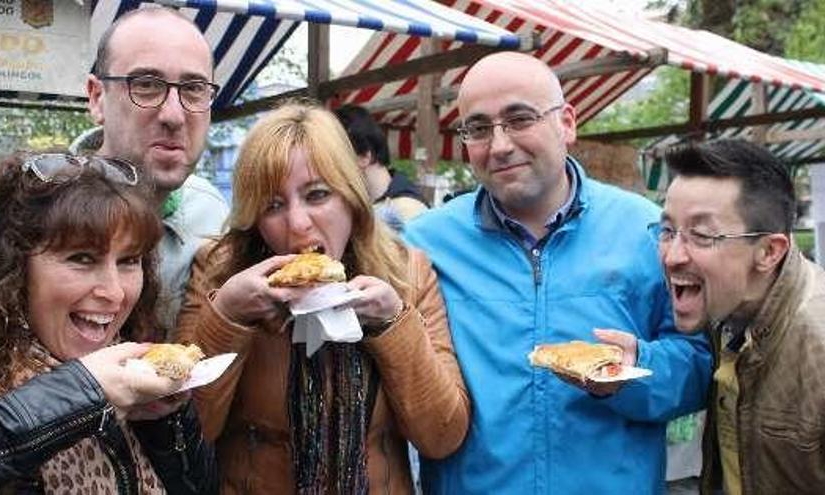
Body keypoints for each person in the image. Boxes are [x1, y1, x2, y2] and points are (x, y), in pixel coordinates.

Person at [403, 52, 712, 494]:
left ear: (566, 123)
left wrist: (635, 370)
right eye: (478, 128)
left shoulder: (646, 231)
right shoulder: (424, 244)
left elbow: (700, 359)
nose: (500, 144)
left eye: (519, 118)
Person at [177, 102, 470, 494]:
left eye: (316, 195)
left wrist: (392, 324)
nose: (298, 223)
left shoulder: (407, 272)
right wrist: (227, 318)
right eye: (273, 205)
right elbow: (183, 433)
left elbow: (443, 435)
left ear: (350, 196)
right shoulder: (220, 270)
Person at [0, 152, 216, 492]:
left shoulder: (132, 357)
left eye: (129, 260)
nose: (115, 293)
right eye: (82, 258)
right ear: (12, 267)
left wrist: (166, 422)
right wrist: (81, 395)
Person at [655, 139, 825, 494]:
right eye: (667, 231)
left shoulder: (817, 343)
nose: (672, 256)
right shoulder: (727, 311)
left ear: (768, 251)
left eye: (701, 235)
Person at [82, 6, 230, 337]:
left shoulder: (214, 215)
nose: (174, 115)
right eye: (146, 84)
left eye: (193, 88)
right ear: (97, 98)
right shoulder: (21, 210)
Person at [335, 104, 428, 231]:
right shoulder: (363, 206)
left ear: (363, 157)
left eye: (335, 158)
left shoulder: (409, 212)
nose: (330, 168)